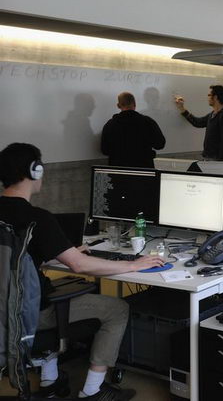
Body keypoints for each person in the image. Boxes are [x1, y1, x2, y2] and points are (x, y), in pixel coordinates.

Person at [0, 143, 165, 400]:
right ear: (35, 171)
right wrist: (132, 264)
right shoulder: (37, 218)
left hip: (4, 311)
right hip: (30, 314)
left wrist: (63, 250)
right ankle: (93, 390)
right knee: (117, 308)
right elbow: (79, 265)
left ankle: (50, 379)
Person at [100, 92, 166, 168]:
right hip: (144, 169)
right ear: (135, 104)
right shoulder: (148, 122)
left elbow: (105, 150)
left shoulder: (110, 125)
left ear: (118, 105)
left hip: (118, 170)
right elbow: (160, 144)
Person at [174, 85, 223, 161]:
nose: (207, 97)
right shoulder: (212, 115)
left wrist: (221, 163)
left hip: (215, 159)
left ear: (215, 97)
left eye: (209, 95)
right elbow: (197, 122)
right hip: (207, 157)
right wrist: (182, 108)